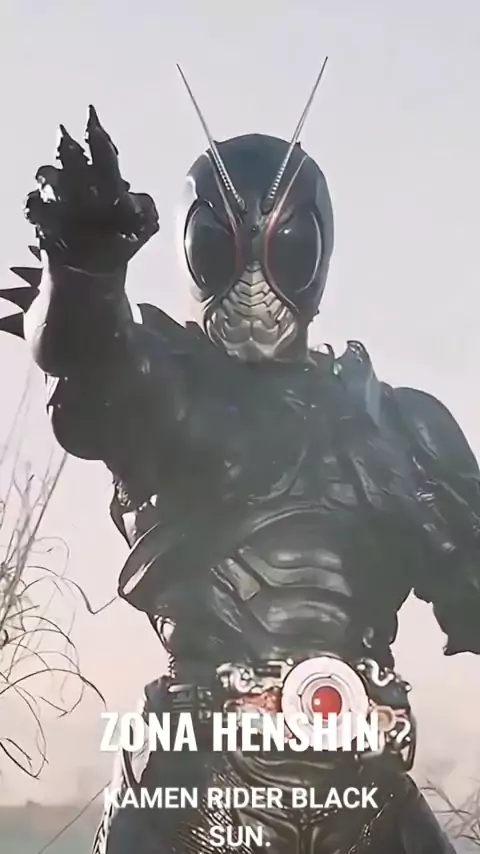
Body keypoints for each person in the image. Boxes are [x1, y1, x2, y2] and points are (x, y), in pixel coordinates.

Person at [1, 68, 473, 852]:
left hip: (363, 798)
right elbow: (86, 350)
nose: (254, 280)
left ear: (314, 247)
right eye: (221, 246)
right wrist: (82, 268)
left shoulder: (398, 427)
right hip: (193, 803)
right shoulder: (168, 392)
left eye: (283, 247)